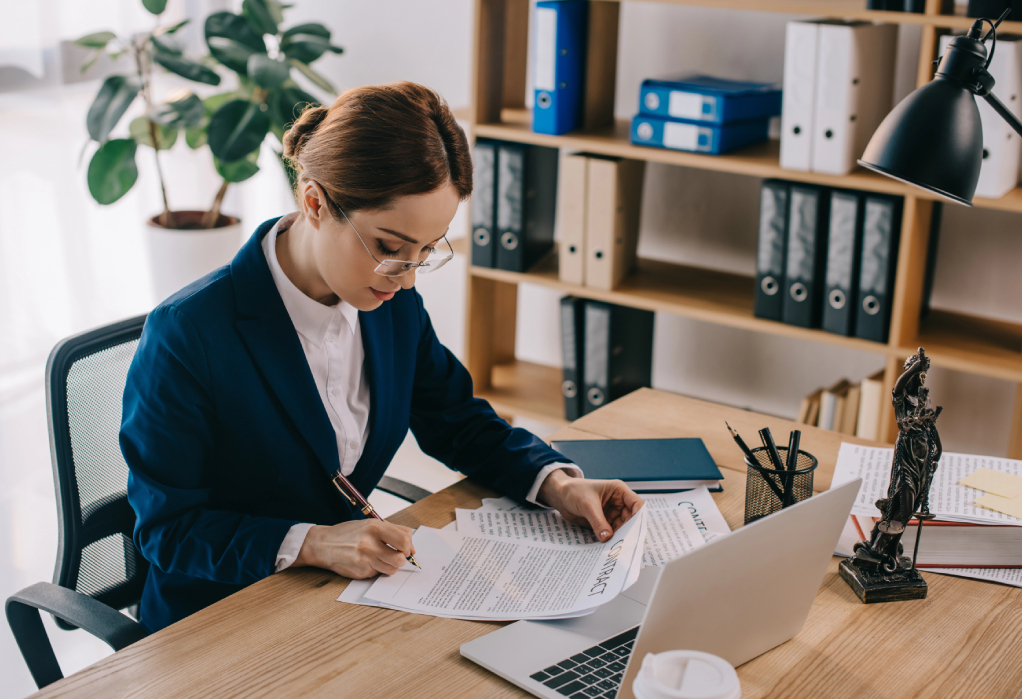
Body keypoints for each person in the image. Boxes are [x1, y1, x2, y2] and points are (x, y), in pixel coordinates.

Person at [120, 81, 644, 633]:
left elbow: (457, 421)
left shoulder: (390, 304)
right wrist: (315, 543)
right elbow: (168, 530)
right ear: (315, 202)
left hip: (336, 600)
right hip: (217, 620)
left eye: (426, 250)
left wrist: (557, 483)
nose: (407, 277)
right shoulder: (188, 334)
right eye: (390, 247)